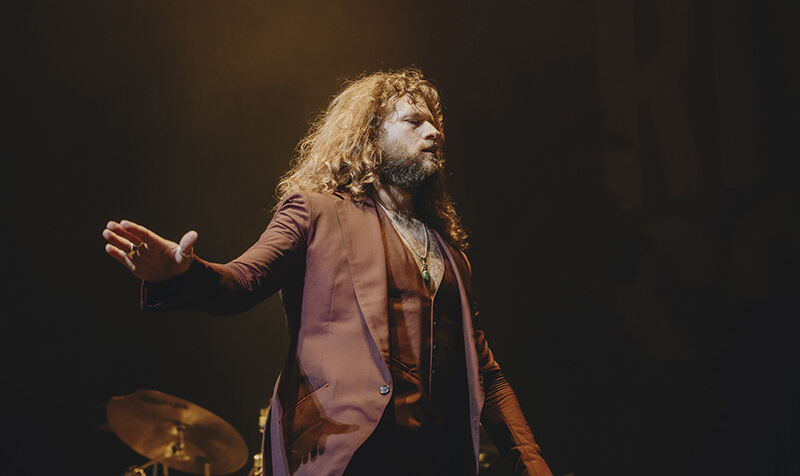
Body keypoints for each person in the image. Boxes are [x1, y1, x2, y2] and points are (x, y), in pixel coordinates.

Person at [103, 68, 553, 476]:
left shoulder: (451, 255)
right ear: (371, 138)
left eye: (435, 124)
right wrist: (179, 274)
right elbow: (242, 281)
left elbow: (486, 375)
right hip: (338, 453)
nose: (434, 131)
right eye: (413, 122)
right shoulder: (315, 214)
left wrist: (531, 464)